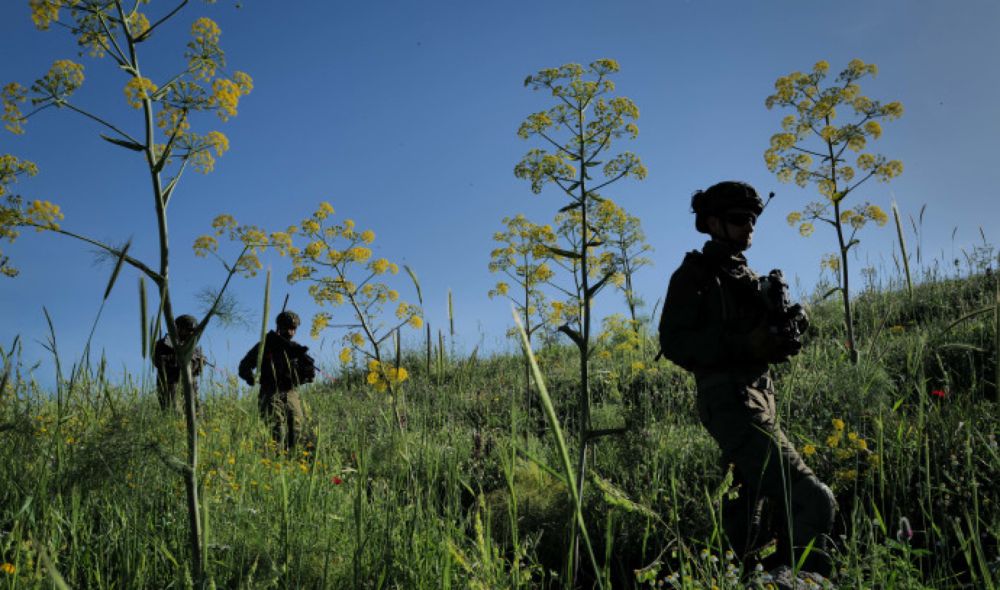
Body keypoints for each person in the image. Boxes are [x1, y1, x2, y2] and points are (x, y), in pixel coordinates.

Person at [657, 181, 836, 584]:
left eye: (753, 219)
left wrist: (788, 325)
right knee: (812, 499)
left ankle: (749, 578)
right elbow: (674, 342)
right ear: (713, 223)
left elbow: (766, 340)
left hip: (759, 399)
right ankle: (803, 582)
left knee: (747, 514)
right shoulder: (695, 276)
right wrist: (746, 343)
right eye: (739, 219)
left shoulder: (749, 278)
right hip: (731, 403)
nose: (749, 226)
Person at [238, 310, 316, 451]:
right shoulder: (266, 344)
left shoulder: (295, 349)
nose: (291, 332)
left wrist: (307, 374)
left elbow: (306, 373)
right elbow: (244, 366)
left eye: (294, 329)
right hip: (270, 392)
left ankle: (295, 462)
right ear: (280, 326)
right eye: (288, 328)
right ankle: (276, 463)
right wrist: (251, 378)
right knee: (277, 431)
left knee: (297, 431)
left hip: (291, 393)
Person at [153, 314, 206, 413]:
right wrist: (178, 358)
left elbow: (197, 369)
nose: (190, 334)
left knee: (198, 414)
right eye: (188, 330)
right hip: (169, 390)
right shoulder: (162, 345)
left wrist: (197, 362)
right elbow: (158, 361)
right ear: (178, 329)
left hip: (190, 391)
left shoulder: (193, 348)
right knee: (173, 416)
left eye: (193, 331)